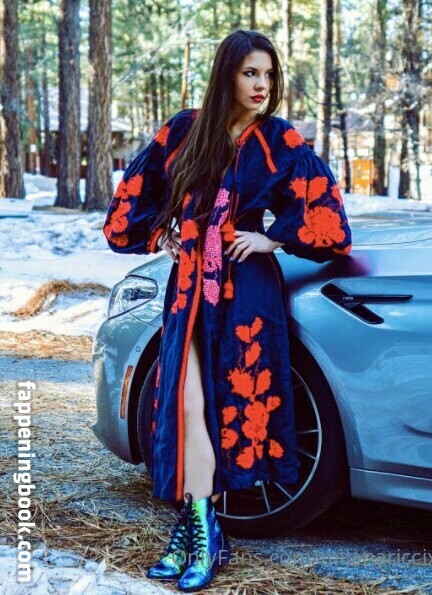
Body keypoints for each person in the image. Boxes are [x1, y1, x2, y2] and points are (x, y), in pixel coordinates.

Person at [103, 29, 352, 592]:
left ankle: (196, 533)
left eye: (268, 74)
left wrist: (273, 239)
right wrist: (160, 234)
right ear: (226, 75)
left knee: (225, 409)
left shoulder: (280, 140)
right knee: (187, 404)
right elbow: (128, 204)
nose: (262, 85)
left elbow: (330, 218)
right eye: (250, 73)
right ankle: (203, 531)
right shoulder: (183, 132)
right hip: (188, 290)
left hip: (248, 293)